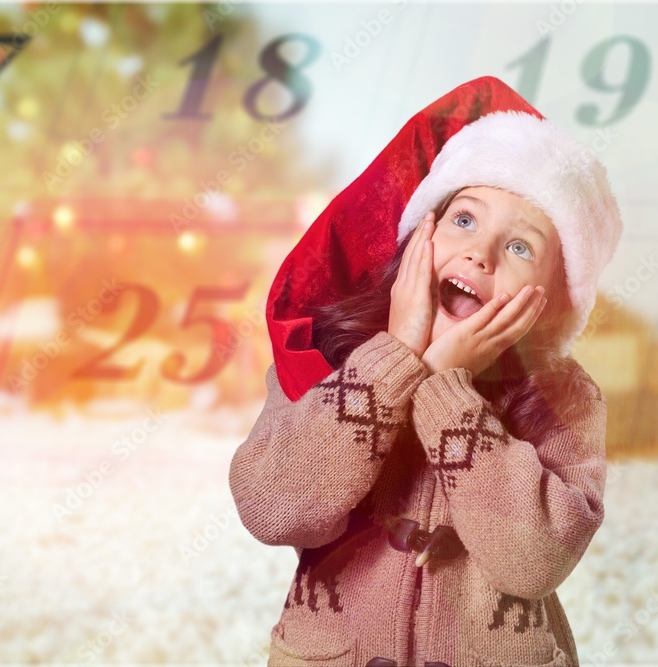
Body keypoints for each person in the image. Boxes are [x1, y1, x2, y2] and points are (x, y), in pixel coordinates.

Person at [228, 76, 623, 667]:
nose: (480, 253)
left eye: (521, 248)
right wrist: (397, 361)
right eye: (464, 220)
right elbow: (273, 507)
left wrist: (446, 389)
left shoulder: (565, 397)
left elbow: (535, 558)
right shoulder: (330, 349)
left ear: (554, 296)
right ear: (419, 236)